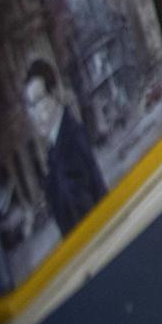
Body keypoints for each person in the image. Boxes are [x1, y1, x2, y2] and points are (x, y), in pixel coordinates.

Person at [22, 59, 103, 234]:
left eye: (38, 100)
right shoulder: (56, 147)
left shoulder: (68, 143)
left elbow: (87, 217)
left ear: (55, 94)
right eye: (30, 106)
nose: (35, 113)